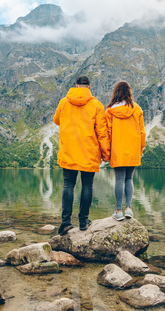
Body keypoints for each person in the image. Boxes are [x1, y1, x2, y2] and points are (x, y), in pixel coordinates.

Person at [53, 75, 110, 235]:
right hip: (89, 151)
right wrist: (106, 152)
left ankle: (65, 223)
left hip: (69, 150)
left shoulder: (64, 102)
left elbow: (56, 120)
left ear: (76, 86)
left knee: (68, 184)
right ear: (89, 87)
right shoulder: (97, 105)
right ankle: (83, 221)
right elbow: (102, 131)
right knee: (87, 185)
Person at [105, 81, 146, 220]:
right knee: (129, 178)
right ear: (129, 92)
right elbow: (142, 132)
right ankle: (128, 208)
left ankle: (118, 211)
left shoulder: (110, 110)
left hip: (118, 149)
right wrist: (140, 148)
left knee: (119, 179)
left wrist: (108, 151)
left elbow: (108, 132)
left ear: (115, 93)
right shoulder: (137, 109)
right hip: (133, 148)